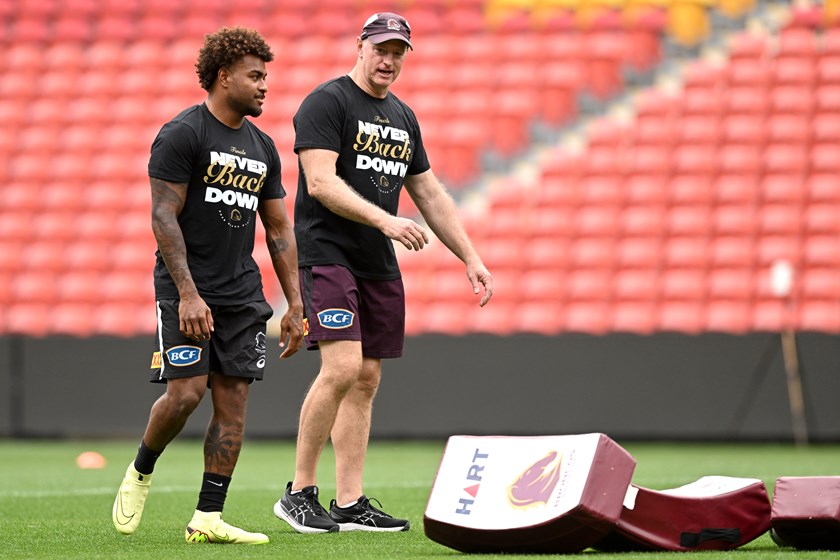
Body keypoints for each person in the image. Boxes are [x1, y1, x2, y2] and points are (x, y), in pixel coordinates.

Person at [272, 12, 494, 534]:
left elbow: (431, 193)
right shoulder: (327, 101)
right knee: (343, 367)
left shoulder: (402, 116)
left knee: (368, 378)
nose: (389, 60)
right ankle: (299, 492)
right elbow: (321, 183)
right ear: (362, 46)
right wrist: (387, 221)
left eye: (399, 52)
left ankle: (350, 502)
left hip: (377, 262)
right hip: (328, 251)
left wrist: (471, 257)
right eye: (382, 49)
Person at [112, 26, 304, 545]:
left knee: (234, 402)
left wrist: (294, 304)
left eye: (267, 76)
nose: (265, 86)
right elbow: (163, 215)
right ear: (224, 77)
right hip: (186, 289)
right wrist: (189, 293)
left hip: (242, 294)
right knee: (185, 394)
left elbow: (280, 229)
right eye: (255, 76)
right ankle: (141, 471)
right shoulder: (183, 133)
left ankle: (208, 516)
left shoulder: (264, 146)